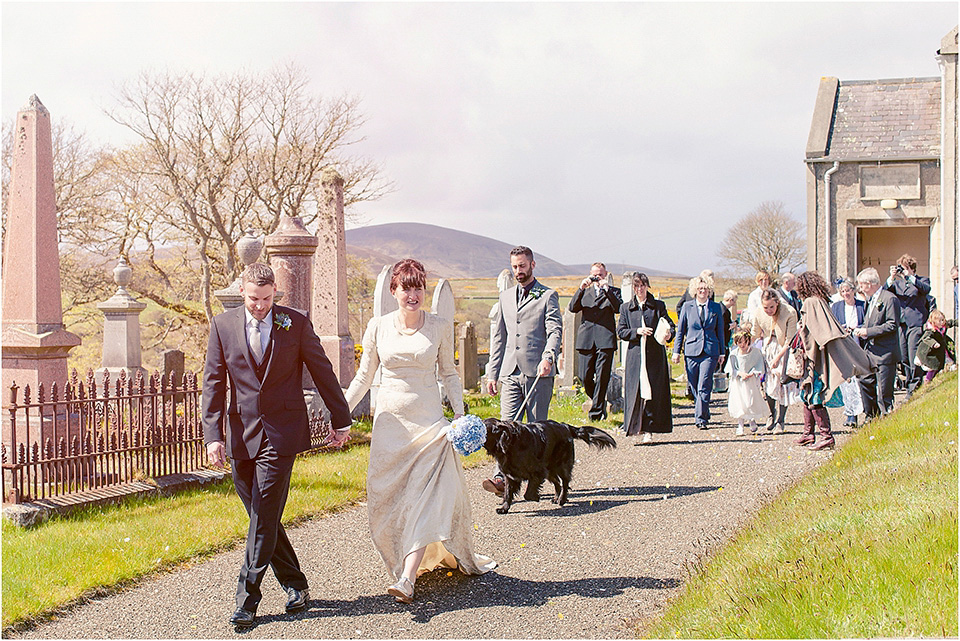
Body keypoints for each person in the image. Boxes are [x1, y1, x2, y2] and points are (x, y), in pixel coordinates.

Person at [202, 263, 352, 629]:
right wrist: (213, 435)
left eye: (267, 299)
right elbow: (212, 382)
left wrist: (341, 417)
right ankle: (296, 584)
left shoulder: (295, 322)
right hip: (240, 433)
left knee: (264, 512)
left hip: (282, 434)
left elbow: (322, 371)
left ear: (275, 294)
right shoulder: (222, 327)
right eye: (254, 299)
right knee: (262, 516)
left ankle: (247, 598)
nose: (260, 306)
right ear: (242, 291)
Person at [344, 259, 496, 604]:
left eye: (418, 288)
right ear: (394, 291)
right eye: (405, 288)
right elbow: (364, 377)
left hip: (430, 426)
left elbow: (450, 374)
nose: (412, 295)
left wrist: (459, 415)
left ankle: (407, 578)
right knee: (391, 501)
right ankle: (403, 561)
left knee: (427, 497)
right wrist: (341, 412)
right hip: (390, 429)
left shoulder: (440, 326)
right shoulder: (378, 326)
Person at [484, 246, 562, 495]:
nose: (519, 271)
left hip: (538, 373)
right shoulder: (505, 297)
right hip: (510, 373)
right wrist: (493, 373)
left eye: (523, 266)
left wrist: (548, 356)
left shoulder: (548, 295)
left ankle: (534, 478)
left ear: (532, 265)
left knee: (536, 430)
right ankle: (502, 479)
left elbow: (554, 331)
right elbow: (499, 338)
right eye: (515, 267)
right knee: (507, 427)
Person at [795, 271, 874, 450]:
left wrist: (802, 331)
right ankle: (808, 433)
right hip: (817, 355)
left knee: (814, 393)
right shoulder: (820, 301)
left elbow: (817, 331)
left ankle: (826, 436)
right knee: (806, 392)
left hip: (816, 357)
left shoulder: (811, 302)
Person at [616, 272, 675, 444]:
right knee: (636, 392)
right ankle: (635, 426)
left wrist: (668, 332)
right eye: (636, 286)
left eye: (642, 286)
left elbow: (669, 325)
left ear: (647, 286)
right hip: (635, 356)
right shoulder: (626, 308)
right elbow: (621, 331)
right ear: (633, 289)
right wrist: (637, 332)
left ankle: (650, 428)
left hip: (654, 356)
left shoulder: (657, 306)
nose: (640, 289)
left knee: (652, 392)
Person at [568, 262, 623, 420]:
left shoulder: (613, 292)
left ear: (605, 275)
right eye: (594, 274)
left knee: (602, 377)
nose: (596, 277)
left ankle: (596, 413)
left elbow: (618, 308)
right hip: (586, 340)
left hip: (605, 340)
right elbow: (572, 308)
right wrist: (581, 289)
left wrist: (606, 289)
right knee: (584, 376)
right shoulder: (585, 292)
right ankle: (599, 401)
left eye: (600, 274)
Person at [672, 274, 725, 429]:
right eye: (700, 288)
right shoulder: (687, 307)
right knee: (694, 385)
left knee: (704, 384)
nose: (703, 291)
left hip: (710, 351)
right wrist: (676, 351)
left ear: (709, 291)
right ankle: (703, 409)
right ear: (695, 290)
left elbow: (720, 331)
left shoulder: (716, 307)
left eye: (705, 288)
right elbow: (681, 330)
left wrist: (722, 352)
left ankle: (700, 419)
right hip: (691, 351)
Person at [854, 267, 902, 419]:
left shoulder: (889, 299)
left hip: (885, 353)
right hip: (871, 353)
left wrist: (868, 332)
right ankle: (871, 415)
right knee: (864, 381)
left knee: (884, 391)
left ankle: (886, 418)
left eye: (861, 285)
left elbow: (892, 324)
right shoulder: (871, 300)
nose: (860, 288)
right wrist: (860, 329)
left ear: (869, 283)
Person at [750, 288, 799, 433]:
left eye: (771, 307)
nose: (769, 310)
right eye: (766, 307)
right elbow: (755, 333)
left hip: (783, 349)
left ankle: (781, 420)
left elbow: (790, 339)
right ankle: (772, 413)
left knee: (782, 384)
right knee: (768, 383)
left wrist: (779, 357)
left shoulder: (789, 312)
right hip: (767, 347)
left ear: (777, 303)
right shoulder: (759, 312)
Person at [885, 254, 931, 397]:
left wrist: (909, 277)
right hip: (901, 324)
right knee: (903, 356)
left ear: (911, 268)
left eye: (904, 268)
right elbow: (884, 293)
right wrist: (891, 278)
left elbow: (925, 289)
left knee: (913, 355)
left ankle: (914, 386)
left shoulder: (921, 280)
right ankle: (909, 381)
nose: (901, 271)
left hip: (915, 323)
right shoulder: (897, 284)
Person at [830, 278, 866, 427]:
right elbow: (833, 324)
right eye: (843, 291)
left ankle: (865, 410)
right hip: (844, 345)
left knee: (861, 380)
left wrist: (858, 329)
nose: (845, 293)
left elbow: (867, 322)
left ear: (853, 291)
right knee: (847, 380)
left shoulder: (862, 306)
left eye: (848, 291)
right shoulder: (836, 307)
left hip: (859, 344)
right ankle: (851, 414)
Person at [725, 329, 767, 436]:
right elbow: (731, 368)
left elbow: (759, 365)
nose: (742, 345)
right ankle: (740, 425)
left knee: (750, 401)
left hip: (750, 381)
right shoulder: (734, 353)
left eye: (745, 342)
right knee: (740, 402)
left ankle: (751, 420)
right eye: (740, 342)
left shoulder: (755, 352)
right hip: (738, 382)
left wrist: (752, 373)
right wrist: (739, 373)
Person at [914, 310, 956, 384]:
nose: (942, 322)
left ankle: (934, 377)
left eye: (943, 320)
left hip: (939, 350)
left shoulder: (943, 326)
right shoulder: (930, 330)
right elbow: (926, 338)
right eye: (939, 321)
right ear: (934, 322)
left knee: (940, 364)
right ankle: (927, 380)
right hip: (929, 352)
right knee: (933, 367)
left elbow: (951, 322)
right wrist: (933, 343)